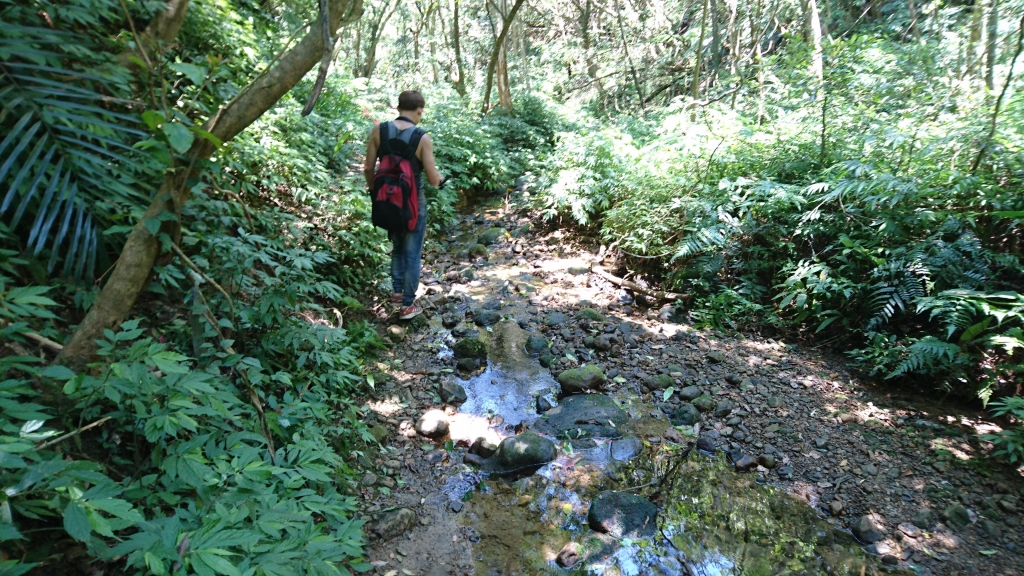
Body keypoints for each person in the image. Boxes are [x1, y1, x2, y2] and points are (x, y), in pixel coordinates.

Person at [364, 90, 442, 320]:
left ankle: (397, 295)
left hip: (386, 200)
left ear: (398, 108)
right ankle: (407, 305)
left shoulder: (379, 130)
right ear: (419, 110)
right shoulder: (422, 138)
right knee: (412, 254)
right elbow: (432, 179)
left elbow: (368, 168)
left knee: (397, 249)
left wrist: (374, 191)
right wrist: (440, 179)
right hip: (413, 204)